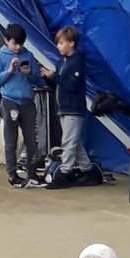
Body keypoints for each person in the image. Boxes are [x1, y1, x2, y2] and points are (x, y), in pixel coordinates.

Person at [0, 23, 45, 188]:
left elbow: (39, 81)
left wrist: (31, 74)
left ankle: (31, 173)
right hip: (9, 101)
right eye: (15, 43)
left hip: (28, 102)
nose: (18, 47)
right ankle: (12, 175)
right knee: (11, 139)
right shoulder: (0, 56)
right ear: (6, 40)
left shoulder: (29, 55)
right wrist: (9, 70)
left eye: (21, 43)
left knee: (32, 140)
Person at [39, 25, 92, 188]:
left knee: (68, 142)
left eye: (61, 43)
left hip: (74, 109)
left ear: (71, 43)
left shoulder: (77, 63)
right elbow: (59, 84)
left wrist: (54, 76)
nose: (58, 46)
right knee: (74, 142)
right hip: (63, 107)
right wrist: (50, 78)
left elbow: (71, 85)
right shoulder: (62, 62)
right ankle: (87, 170)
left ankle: (64, 173)